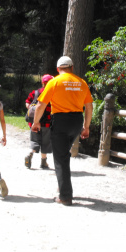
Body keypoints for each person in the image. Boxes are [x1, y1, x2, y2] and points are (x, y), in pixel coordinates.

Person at [31, 56, 93, 206]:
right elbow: (89, 106)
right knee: (64, 154)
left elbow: (40, 105)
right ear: (72, 68)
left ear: (58, 69)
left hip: (61, 121)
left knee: (61, 158)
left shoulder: (55, 81)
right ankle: (62, 186)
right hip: (77, 121)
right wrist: (86, 126)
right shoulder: (81, 82)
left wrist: (36, 122)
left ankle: (65, 197)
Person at [24, 74, 54, 169]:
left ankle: (30, 154)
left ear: (42, 83)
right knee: (45, 142)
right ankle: (43, 162)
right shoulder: (52, 94)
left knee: (34, 140)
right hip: (47, 123)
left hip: (33, 122)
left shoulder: (35, 92)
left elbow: (27, 102)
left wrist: (32, 109)